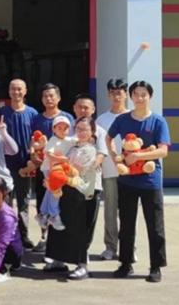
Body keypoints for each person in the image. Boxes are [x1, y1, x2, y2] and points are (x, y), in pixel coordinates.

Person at [107, 80, 170, 283]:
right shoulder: (123, 119)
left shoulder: (158, 121)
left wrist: (138, 157)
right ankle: (125, 264)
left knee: (155, 226)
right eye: (136, 94)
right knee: (126, 225)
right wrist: (115, 157)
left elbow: (163, 151)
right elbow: (108, 138)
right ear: (131, 96)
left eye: (144, 94)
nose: (140, 98)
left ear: (150, 97)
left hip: (151, 181)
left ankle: (156, 267)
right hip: (127, 181)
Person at [43, 117, 99, 280]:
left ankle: (82, 265)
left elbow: (78, 170)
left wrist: (60, 171)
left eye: (85, 129)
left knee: (78, 229)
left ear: (92, 132)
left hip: (81, 192)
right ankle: (58, 260)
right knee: (60, 225)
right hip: (65, 190)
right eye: (78, 129)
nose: (81, 132)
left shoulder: (90, 150)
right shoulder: (72, 146)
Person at [0, 79, 40, 249]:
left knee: (23, 203)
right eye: (13, 89)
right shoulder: (1, 113)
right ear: (9, 91)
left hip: (25, 166)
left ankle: (23, 236)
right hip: (5, 167)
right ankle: (6, 236)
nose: (16, 92)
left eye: (19, 89)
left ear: (25, 91)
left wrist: (32, 161)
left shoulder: (33, 113)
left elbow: (36, 139)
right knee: (6, 203)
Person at [30, 83, 74, 252]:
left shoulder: (67, 118)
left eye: (52, 95)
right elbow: (32, 142)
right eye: (45, 96)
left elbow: (73, 143)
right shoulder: (37, 119)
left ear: (59, 98)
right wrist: (33, 155)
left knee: (60, 203)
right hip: (44, 168)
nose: (49, 99)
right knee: (43, 200)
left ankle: (59, 242)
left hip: (62, 170)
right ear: (42, 99)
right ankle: (44, 238)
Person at [96, 78, 129, 261]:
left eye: (120, 93)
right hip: (109, 171)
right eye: (113, 93)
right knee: (110, 211)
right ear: (108, 94)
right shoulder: (102, 119)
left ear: (126, 94)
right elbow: (98, 146)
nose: (117, 96)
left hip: (131, 173)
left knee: (128, 212)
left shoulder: (132, 116)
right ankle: (110, 247)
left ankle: (129, 247)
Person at [71, 93, 110, 252]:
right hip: (69, 182)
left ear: (93, 110)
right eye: (79, 107)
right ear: (74, 108)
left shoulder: (99, 131)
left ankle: (83, 252)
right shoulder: (66, 128)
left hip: (91, 183)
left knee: (88, 219)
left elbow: (102, 154)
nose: (82, 110)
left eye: (86, 107)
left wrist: (87, 168)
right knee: (70, 218)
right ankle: (67, 252)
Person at [38, 115, 77, 231]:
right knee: (55, 190)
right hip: (48, 168)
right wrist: (61, 159)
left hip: (57, 169)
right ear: (54, 129)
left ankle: (43, 213)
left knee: (50, 190)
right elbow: (49, 154)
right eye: (59, 128)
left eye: (65, 128)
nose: (62, 130)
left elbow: (78, 139)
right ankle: (54, 215)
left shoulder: (68, 140)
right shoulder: (53, 140)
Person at [0, 176, 23, 284]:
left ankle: (3, 270)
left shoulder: (7, 216)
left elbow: (1, 246)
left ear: (3, 192)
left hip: (11, 253)